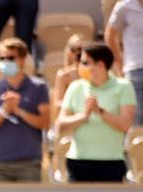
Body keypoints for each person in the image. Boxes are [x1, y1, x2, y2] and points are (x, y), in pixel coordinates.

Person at [57, 42, 136, 183]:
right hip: (78, 162)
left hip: (111, 163)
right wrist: (83, 116)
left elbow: (125, 124)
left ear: (100, 65)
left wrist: (100, 112)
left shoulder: (124, 87)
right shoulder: (75, 87)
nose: (80, 66)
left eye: (85, 62)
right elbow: (61, 125)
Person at [0, 37, 50, 183]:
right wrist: (4, 111)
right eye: (2, 58)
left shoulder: (38, 87)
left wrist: (19, 111)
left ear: (23, 59)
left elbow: (45, 122)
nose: (6, 62)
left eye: (11, 58)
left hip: (29, 164)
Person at [109, 0, 143, 125]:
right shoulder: (124, 7)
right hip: (134, 72)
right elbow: (110, 34)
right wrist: (119, 62)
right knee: (135, 123)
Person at [52, 34, 85, 115]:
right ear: (69, 52)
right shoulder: (63, 75)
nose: (78, 53)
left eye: (81, 49)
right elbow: (57, 103)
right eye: (75, 49)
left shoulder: (94, 72)